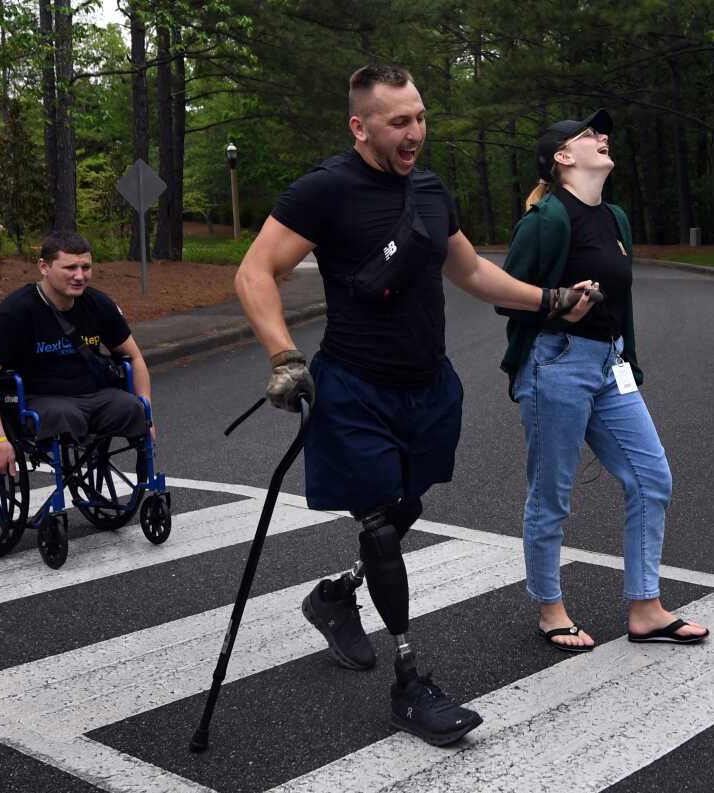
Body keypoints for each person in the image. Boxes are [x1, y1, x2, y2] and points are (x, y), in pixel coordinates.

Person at [234, 63, 597, 746]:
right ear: (360, 125)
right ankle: (410, 682)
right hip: (354, 385)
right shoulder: (324, 190)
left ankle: (336, 597)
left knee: (405, 508)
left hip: (428, 386)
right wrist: (283, 357)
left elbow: (470, 271)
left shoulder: (429, 190)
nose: (415, 132)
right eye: (399, 121)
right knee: (377, 522)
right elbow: (256, 270)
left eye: (421, 117)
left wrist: (551, 300)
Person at [498, 109, 710, 653]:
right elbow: (504, 296)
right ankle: (551, 609)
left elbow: (625, 302)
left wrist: (628, 359)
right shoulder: (545, 220)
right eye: (588, 135)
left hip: (607, 366)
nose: (601, 137)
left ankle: (645, 608)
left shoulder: (615, 217)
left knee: (651, 478)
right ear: (563, 158)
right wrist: (558, 309)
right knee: (552, 496)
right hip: (555, 365)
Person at [0, 230, 154, 476]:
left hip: (93, 394)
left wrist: (148, 418)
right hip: (39, 397)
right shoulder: (16, 310)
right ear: (44, 267)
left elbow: (135, 357)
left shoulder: (98, 304)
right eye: (70, 268)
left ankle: (144, 476)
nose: (79, 276)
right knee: (65, 415)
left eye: (85, 267)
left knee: (133, 409)